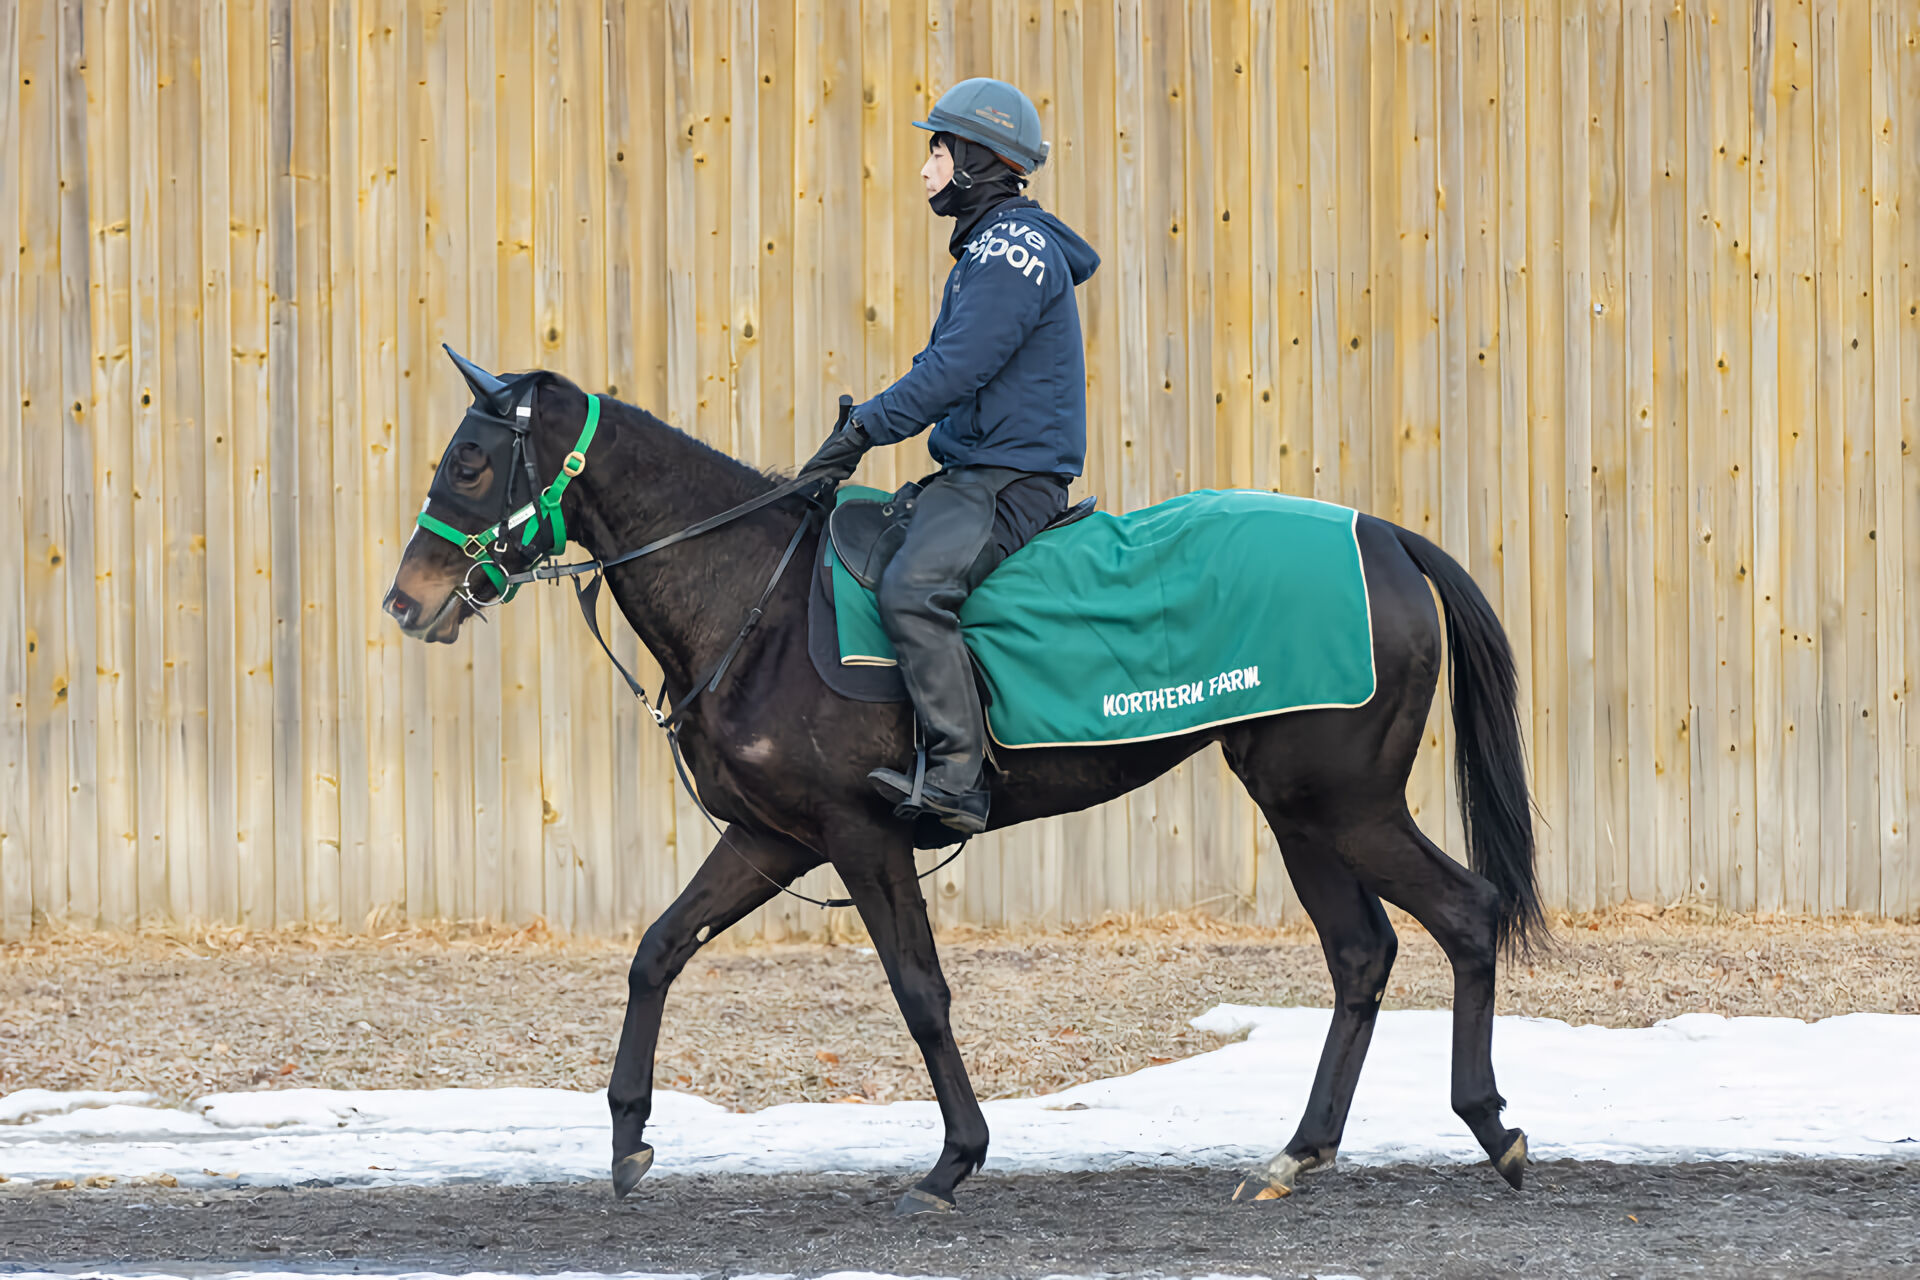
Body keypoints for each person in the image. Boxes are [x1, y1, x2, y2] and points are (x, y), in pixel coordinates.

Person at [795, 77, 1101, 837]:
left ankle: (959, 777)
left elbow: (952, 369)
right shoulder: (992, 248)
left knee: (912, 588)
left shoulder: (1011, 249)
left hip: (1009, 480)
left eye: (937, 147)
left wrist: (861, 431)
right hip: (978, 470)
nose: (927, 165)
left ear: (974, 157)